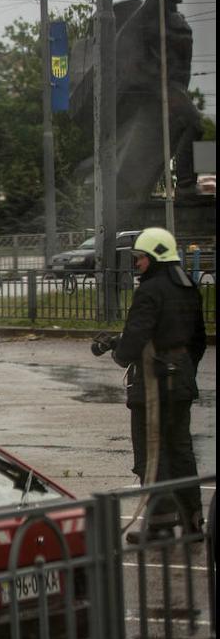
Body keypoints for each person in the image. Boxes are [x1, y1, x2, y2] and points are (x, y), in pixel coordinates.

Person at [110, 228, 206, 543]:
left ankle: (161, 524)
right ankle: (193, 521)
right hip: (181, 383)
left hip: (154, 385)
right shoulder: (188, 286)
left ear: (155, 258)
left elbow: (135, 340)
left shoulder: (150, 291)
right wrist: (182, 367)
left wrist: (119, 353)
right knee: (181, 450)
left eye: (140, 258)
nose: (137, 264)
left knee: (151, 454)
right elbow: (199, 341)